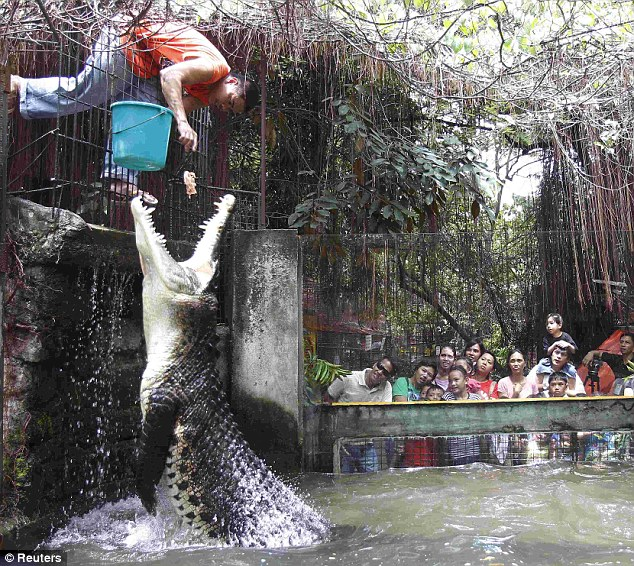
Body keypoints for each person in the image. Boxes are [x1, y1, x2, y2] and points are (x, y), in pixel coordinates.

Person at [9, 19, 259, 203]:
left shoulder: (208, 95)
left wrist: (184, 137)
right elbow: (170, 76)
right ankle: (22, 87)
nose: (224, 107)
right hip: (126, 39)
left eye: (229, 110)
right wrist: (184, 123)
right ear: (232, 83)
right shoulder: (214, 68)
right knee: (83, 93)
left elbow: (165, 111)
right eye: (230, 101)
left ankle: (121, 180)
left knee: (146, 113)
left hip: (147, 66)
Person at [326, 356, 396, 472]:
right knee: (344, 480)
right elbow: (328, 397)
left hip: (367, 442)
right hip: (343, 442)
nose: (379, 372)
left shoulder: (386, 387)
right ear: (375, 364)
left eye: (385, 373)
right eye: (380, 367)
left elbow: (385, 412)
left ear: (387, 378)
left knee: (372, 480)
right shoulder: (348, 377)